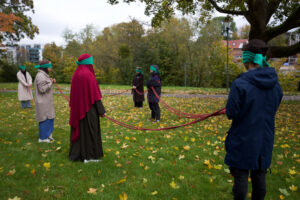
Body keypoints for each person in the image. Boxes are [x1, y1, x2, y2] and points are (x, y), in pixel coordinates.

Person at [225, 39, 283, 200]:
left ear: (247, 59)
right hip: (265, 138)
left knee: (241, 175)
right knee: (259, 175)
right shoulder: (275, 84)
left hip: (243, 137)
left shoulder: (240, 83)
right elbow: (275, 105)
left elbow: (231, 112)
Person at [69, 53, 106, 163]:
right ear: (89, 63)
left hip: (78, 110)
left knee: (81, 132)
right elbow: (95, 96)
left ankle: (79, 155)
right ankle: (89, 157)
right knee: (90, 132)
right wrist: (101, 111)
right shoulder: (88, 75)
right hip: (88, 110)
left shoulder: (77, 73)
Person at [34, 60, 56, 143]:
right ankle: (43, 138)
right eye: (50, 65)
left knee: (50, 117)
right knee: (44, 119)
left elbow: (45, 84)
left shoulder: (43, 75)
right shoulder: (40, 75)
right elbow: (42, 89)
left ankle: (48, 134)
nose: (51, 67)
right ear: (45, 67)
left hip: (46, 101)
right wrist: (50, 82)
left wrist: (49, 81)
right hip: (42, 102)